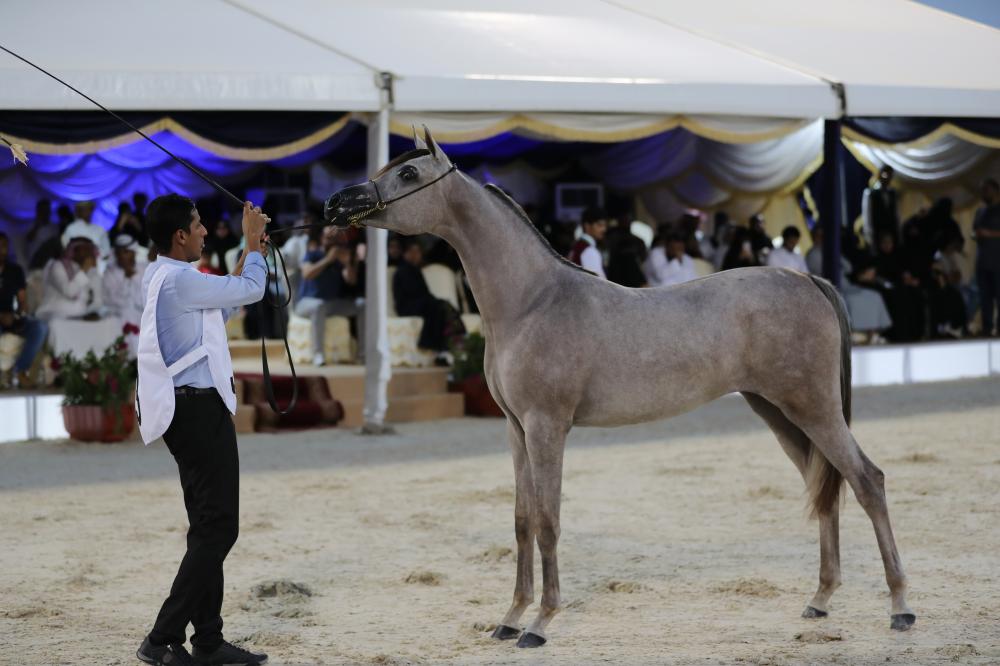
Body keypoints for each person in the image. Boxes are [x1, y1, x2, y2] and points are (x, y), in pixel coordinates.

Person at [134, 194, 269, 666]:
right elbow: (250, 292)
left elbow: (221, 309)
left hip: (185, 411)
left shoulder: (162, 276)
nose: (205, 232)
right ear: (180, 236)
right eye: (198, 226)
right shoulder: (181, 281)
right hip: (198, 411)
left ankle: (208, 639)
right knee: (219, 530)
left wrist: (250, 257)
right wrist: (252, 247)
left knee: (206, 528)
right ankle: (162, 636)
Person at [293, 226, 363, 366]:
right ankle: (318, 355)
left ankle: (363, 354)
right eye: (328, 237)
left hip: (331, 304)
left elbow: (351, 280)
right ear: (321, 238)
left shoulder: (340, 259)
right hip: (306, 303)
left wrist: (348, 263)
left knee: (362, 304)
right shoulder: (312, 254)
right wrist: (328, 260)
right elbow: (307, 274)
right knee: (319, 306)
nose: (331, 241)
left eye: (334, 238)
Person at [392, 239, 465, 360]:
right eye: (413, 251)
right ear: (406, 253)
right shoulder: (402, 271)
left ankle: (458, 336)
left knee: (443, 305)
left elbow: (424, 293)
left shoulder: (415, 270)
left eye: (418, 251)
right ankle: (435, 345)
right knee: (436, 306)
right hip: (406, 306)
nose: (416, 255)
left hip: (420, 303)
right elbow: (412, 292)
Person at [0, 232, 48, 389]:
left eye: (4, 246)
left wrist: (17, 315)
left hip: (11, 317)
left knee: (40, 327)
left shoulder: (15, 271)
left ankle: (20, 371)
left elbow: (22, 302)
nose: (2, 249)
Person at [35, 238, 103, 320]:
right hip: (54, 313)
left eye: (90, 250)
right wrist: (83, 270)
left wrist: (91, 312)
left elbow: (97, 299)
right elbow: (70, 292)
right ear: (73, 251)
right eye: (85, 249)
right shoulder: (57, 266)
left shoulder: (91, 272)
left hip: (81, 315)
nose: (89, 253)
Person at [102, 234, 147, 331]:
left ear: (133, 253)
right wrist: (126, 279)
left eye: (125, 252)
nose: (121, 256)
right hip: (117, 322)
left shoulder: (144, 269)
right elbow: (112, 301)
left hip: (143, 322)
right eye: (118, 253)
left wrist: (133, 277)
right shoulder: (109, 273)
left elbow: (146, 299)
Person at [973, 178, 1000, 337]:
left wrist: (990, 234)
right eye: (982, 190)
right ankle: (987, 328)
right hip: (982, 261)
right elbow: (975, 231)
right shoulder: (980, 211)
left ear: (996, 191)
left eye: (987, 190)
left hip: (998, 261)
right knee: (984, 298)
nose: (984, 193)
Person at [862, 165, 900, 250]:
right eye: (885, 175)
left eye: (890, 176)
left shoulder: (892, 193)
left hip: (891, 235)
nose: (887, 178)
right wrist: (870, 239)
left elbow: (896, 215)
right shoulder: (870, 193)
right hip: (877, 235)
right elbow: (867, 217)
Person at [567, 206, 607, 278]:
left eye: (604, 225)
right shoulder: (589, 251)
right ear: (587, 226)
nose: (604, 229)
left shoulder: (576, 247)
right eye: (599, 225)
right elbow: (598, 285)